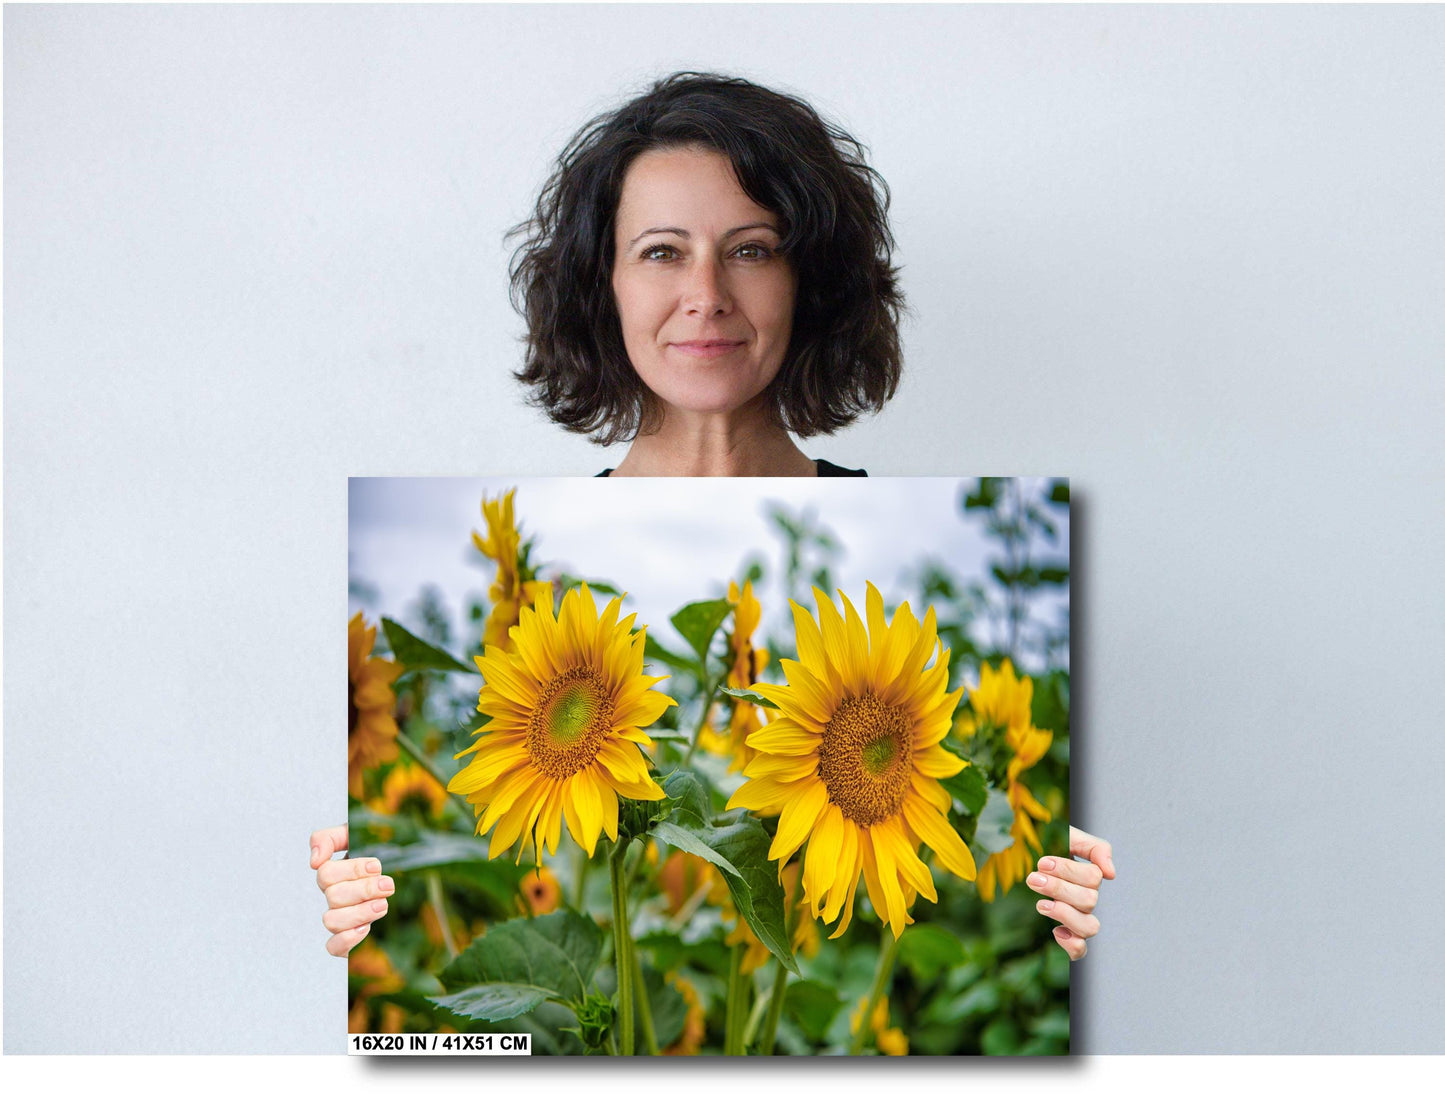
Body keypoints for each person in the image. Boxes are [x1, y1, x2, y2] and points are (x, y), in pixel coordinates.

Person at [313, 72, 1114, 963]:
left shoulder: (895, 535)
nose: (706, 294)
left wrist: (1076, 911)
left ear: (808, 282)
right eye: (661, 251)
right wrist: (355, 914)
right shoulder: (556, 563)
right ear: (602, 284)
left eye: (752, 249)